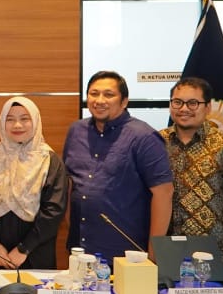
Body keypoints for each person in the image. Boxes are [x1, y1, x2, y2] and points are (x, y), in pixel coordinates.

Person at [62, 70, 173, 255]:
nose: (99, 100)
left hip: (125, 251)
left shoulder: (144, 137)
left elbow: (164, 193)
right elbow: (69, 183)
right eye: (94, 93)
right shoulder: (76, 131)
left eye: (109, 94)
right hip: (80, 248)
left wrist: (154, 252)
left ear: (124, 101)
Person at [159, 77, 223, 277]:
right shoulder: (155, 143)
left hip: (215, 254)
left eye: (193, 103)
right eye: (177, 102)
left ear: (207, 108)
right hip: (165, 249)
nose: (184, 109)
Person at [0, 96, 69, 270]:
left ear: (36, 121)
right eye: (10, 119)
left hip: (36, 252)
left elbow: (54, 211)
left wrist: (23, 249)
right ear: (2, 122)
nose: (17, 125)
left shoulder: (49, 160)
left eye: (25, 119)